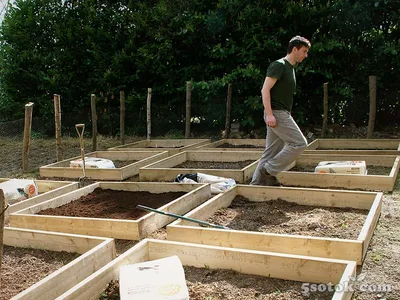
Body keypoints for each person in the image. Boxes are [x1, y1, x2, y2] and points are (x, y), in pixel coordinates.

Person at [250, 35, 311, 186]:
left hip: (281, 113)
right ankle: (269, 170)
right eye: (304, 51)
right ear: (294, 49)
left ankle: (255, 185)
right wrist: (269, 114)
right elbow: (265, 90)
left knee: (270, 152)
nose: (306, 55)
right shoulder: (279, 65)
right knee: (299, 143)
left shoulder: (290, 68)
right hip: (276, 113)